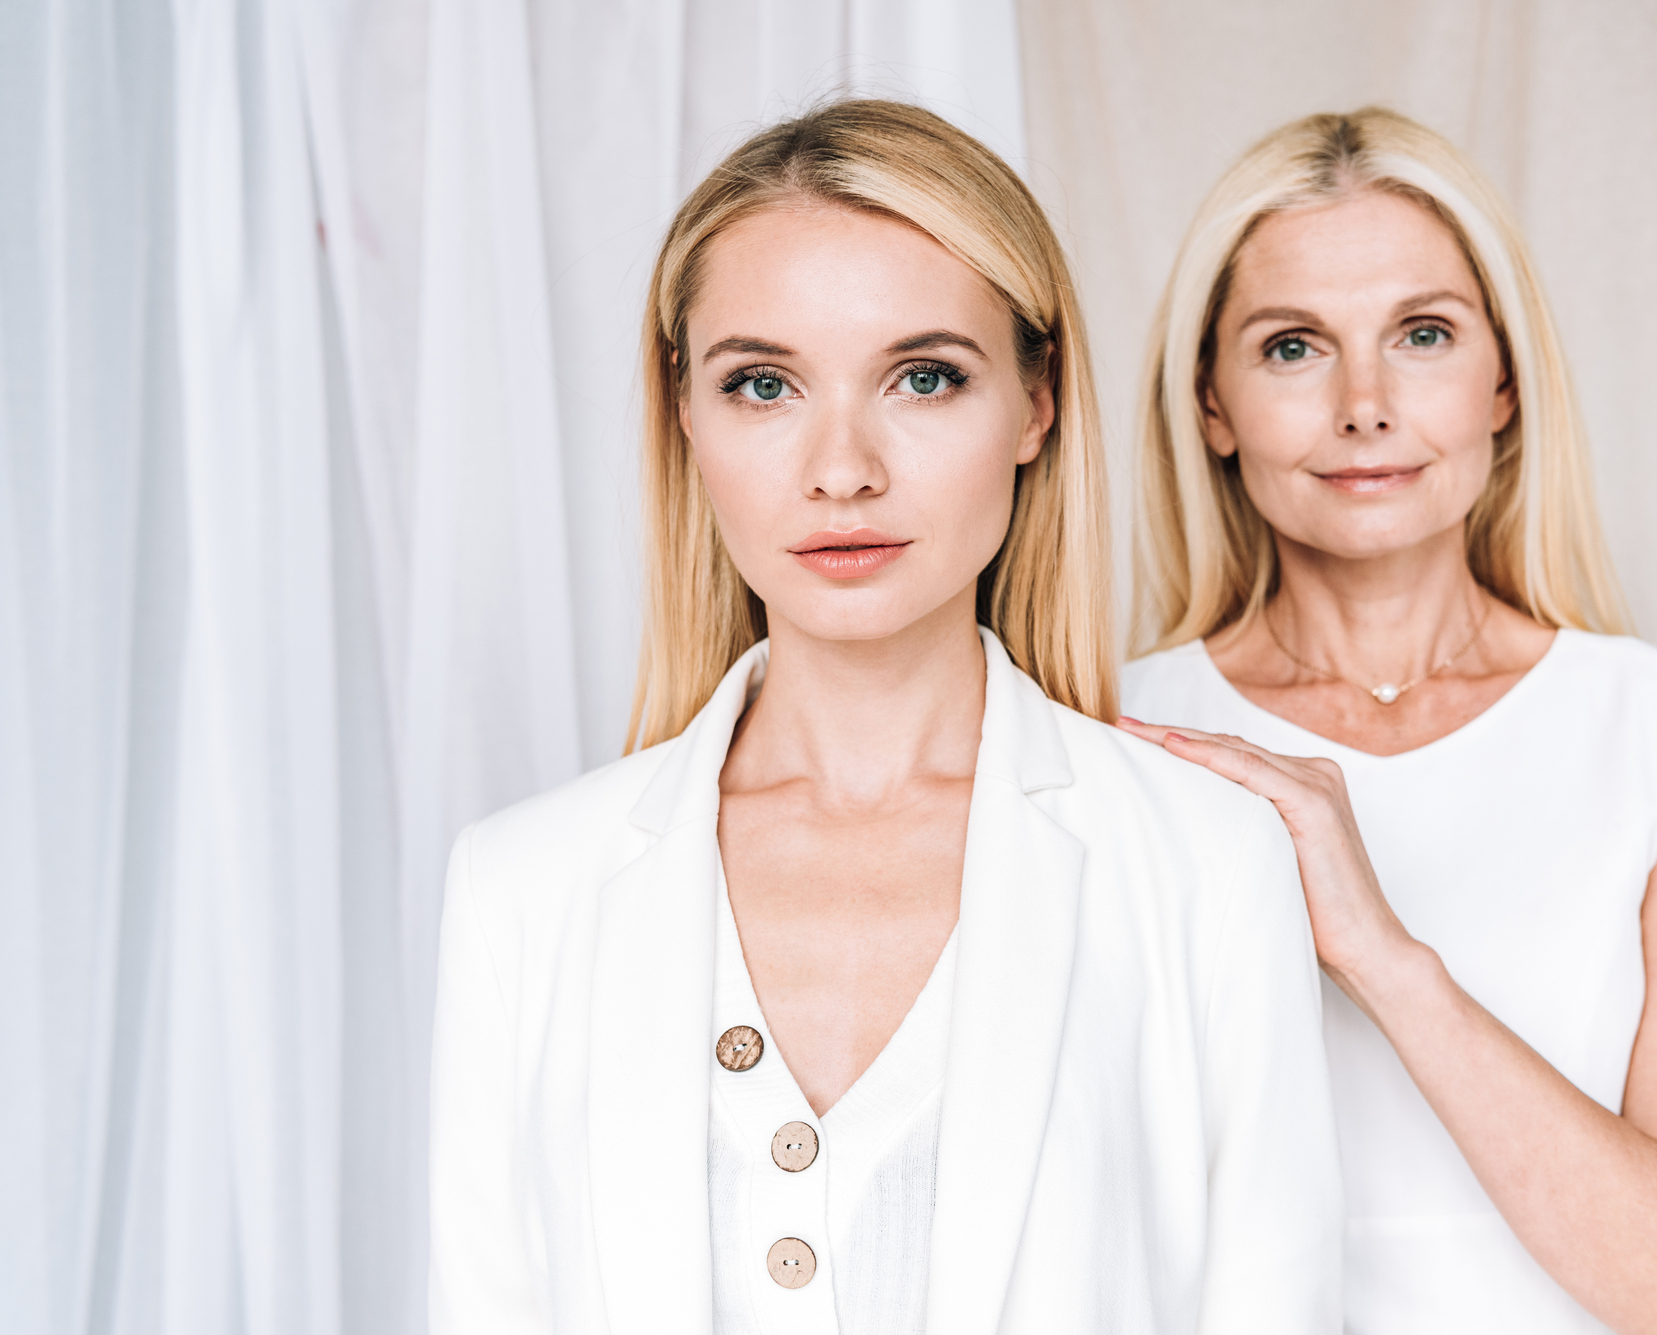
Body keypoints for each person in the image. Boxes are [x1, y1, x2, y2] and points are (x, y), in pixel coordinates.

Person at [429, 100, 1340, 1335]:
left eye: (922, 378)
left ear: (1034, 405)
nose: (841, 467)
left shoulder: (1203, 863)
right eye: (763, 384)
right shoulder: (522, 888)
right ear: (684, 417)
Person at [1119, 108, 1657, 1335]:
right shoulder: (1109, 738)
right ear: (1210, 403)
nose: (1363, 404)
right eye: (1290, 347)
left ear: (1502, 382)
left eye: (1420, 334)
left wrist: (1382, 957)